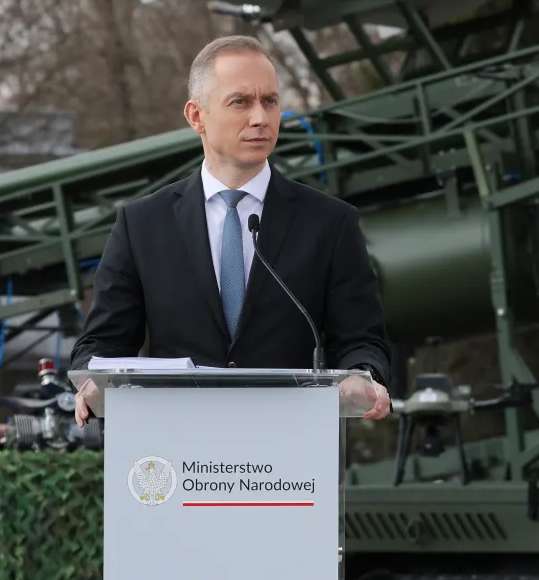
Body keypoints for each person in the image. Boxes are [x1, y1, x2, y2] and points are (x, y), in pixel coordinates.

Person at [71, 35, 392, 424]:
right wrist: (91, 381)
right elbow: (101, 345)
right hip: (176, 450)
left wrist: (364, 378)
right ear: (196, 116)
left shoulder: (329, 223)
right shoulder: (142, 225)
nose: (260, 117)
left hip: (291, 452)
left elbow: (362, 341)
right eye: (240, 102)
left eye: (270, 101)